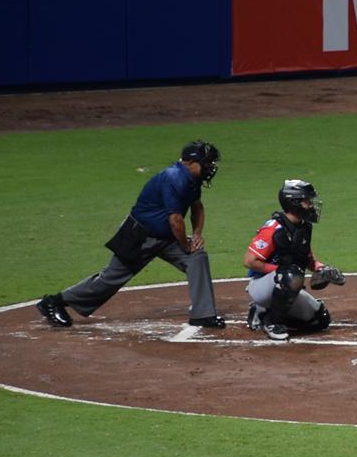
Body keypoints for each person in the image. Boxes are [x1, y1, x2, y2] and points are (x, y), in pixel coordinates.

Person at [37, 141, 226, 329]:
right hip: (140, 236)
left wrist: (196, 234)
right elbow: (175, 220)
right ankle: (54, 302)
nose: (210, 167)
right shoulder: (174, 178)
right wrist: (185, 244)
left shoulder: (193, 180)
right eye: (206, 162)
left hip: (167, 238)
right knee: (111, 278)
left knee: (196, 257)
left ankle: (202, 315)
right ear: (189, 162)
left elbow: (197, 207)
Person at [243, 179, 344, 341]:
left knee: (320, 319)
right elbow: (249, 260)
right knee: (291, 274)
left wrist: (322, 269)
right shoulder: (273, 228)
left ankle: (262, 313)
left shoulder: (303, 227)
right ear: (294, 202)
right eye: (307, 201)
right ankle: (272, 322)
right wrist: (280, 273)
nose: (311, 205)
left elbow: (308, 259)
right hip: (262, 285)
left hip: (288, 282)